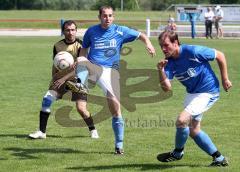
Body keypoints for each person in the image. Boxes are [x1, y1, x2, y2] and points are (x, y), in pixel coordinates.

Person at [66, 6, 156, 154]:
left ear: (113, 17)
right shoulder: (91, 31)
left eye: (110, 15)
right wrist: (81, 59)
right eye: (104, 16)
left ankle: (119, 146)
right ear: (99, 17)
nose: (107, 18)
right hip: (93, 67)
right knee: (82, 59)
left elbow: (141, 35)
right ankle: (79, 84)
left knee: (115, 109)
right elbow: (84, 50)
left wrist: (149, 44)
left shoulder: (120, 31)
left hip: (110, 73)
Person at [156, 30, 232, 166]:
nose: (163, 48)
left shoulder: (193, 51)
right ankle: (219, 159)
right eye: (161, 45)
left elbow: (220, 55)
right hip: (192, 94)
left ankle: (178, 153)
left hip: (208, 91)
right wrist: (160, 71)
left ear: (176, 43)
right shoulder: (169, 62)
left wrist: (225, 79)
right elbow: (167, 88)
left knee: (181, 120)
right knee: (193, 129)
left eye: (166, 45)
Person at [29, 20, 99, 139]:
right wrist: (53, 78)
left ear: (76, 31)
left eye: (72, 30)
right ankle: (42, 132)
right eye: (67, 30)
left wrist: (65, 78)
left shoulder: (82, 46)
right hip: (60, 80)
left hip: (78, 81)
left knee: (81, 109)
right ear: (63, 31)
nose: (70, 32)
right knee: (46, 100)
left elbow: (80, 66)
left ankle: (93, 129)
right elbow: (55, 64)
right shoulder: (57, 46)